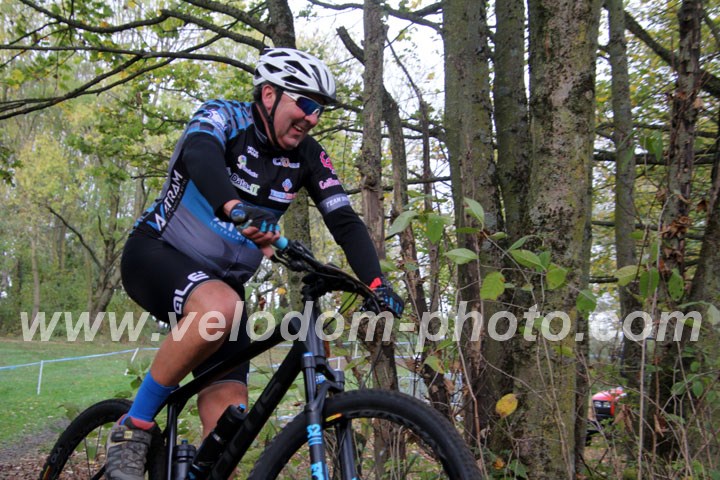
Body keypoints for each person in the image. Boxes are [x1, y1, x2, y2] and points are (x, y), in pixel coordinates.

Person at [105, 47, 404, 479]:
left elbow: (343, 219)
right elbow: (199, 154)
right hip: (157, 253)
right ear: (268, 94)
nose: (312, 117)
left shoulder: (308, 156)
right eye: (305, 104)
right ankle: (134, 426)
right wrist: (234, 206)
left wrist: (376, 283)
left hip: (223, 285)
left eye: (319, 110)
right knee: (220, 308)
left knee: (229, 429)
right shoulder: (225, 117)